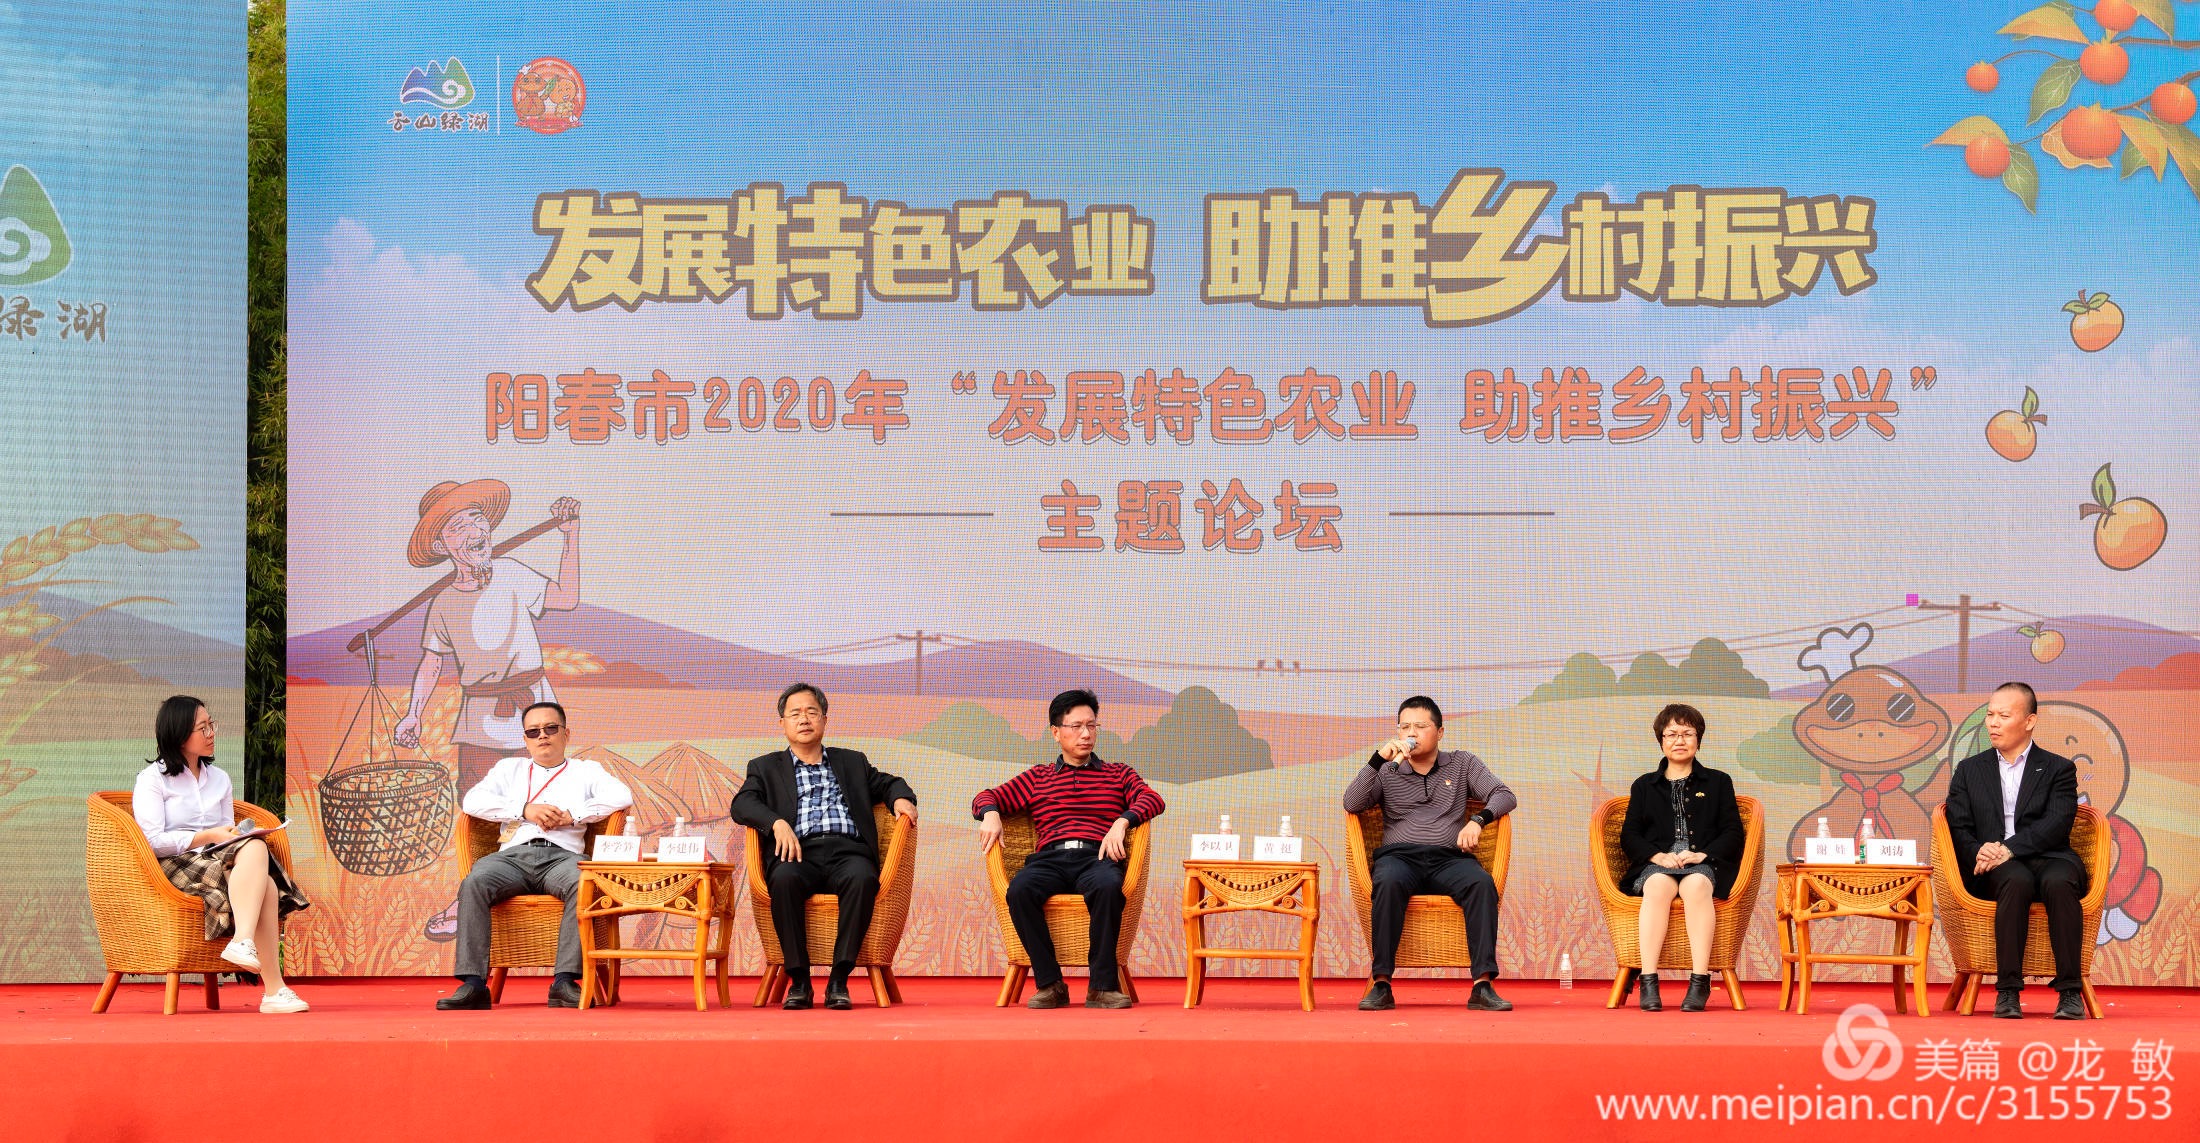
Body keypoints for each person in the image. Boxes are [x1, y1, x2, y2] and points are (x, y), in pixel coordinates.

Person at [388, 480, 582, 942]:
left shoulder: (513, 572)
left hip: (533, 709)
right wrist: (414, 713)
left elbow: (566, 597)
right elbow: (432, 661)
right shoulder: (442, 603)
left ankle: (550, 889)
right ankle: (471, 895)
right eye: (458, 526)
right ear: (442, 546)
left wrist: (570, 536)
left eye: (477, 519)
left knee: (549, 800)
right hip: (477, 719)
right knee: (479, 811)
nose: (474, 530)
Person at [730, 683, 918, 1010]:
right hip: (797, 853)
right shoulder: (765, 767)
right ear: (783, 724)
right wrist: (776, 823)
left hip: (848, 852)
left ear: (824, 720)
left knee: (863, 878)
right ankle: (799, 981)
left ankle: (839, 980)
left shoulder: (851, 762)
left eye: (811, 712)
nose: (804, 719)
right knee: (784, 879)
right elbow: (742, 804)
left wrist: (900, 798)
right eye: (795, 714)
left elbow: (890, 783)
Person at [973, 688, 1164, 1010]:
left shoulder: (1118, 774)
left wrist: (1122, 822)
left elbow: (1153, 799)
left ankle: (1102, 988)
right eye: (1076, 726)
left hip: (1096, 857)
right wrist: (991, 814)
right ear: (1056, 732)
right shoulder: (1039, 777)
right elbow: (985, 796)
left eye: (1091, 725)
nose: (1086, 734)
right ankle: (1050, 985)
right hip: (1050, 858)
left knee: (1108, 886)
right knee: (1019, 890)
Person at [436, 701, 631, 1010]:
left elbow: (621, 796)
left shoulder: (586, 771)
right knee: (475, 881)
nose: (542, 736)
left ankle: (564, 982)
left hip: (562, 857)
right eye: (533, 731)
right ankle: (473, 985)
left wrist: (573, 815)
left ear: (566, 734)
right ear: (525, 739)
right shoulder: (508, 769)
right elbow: (472, 801)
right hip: (512, 858)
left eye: (551, 728)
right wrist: (524, 810)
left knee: (583, 883)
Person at [131, 695, 311, 1013]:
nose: (211, 733)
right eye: (203, 728)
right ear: (179, 735)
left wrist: (236, 834)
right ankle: (269, 982)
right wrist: (209, 836)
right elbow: (153, 841)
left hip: (217, 856)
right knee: (264, 876)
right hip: (176, 864)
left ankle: (254, 959)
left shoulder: (220, 779)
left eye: (211, 724)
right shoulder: (152, 780)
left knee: (256, 855)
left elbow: (228, 832)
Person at [1344, 695, 1516, 1012]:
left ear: (1440, 732)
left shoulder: (1463, 763)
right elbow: (1352, 802)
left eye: (1421, 726)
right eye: (1404, 727)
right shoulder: (1387, 769)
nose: (1412, 733)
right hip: (1399, 858)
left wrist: (1478, 821)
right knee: (1388, 882)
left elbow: (1504, 795)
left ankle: (1482, 986)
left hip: (1449, 859)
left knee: (1481, 884)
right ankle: (1381, 984)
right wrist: (1377, 760)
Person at [1944, 681, 2087, 1020]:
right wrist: (1981, 853)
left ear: (2029, 721)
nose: (1993, 723)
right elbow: (1958, 826)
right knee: (2016, 880)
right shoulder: (1970, 770)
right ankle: (2007, 990)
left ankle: (2070, 992)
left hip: (2050, 856)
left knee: (2060, 882)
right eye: (1989, 715)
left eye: (2004, 716)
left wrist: (2008, 848)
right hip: (1994, 867)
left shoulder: (2058, 768)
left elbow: (2057, 823)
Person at [1616, 703, 1746, 1012]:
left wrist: (1703, 854)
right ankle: (1648, 980)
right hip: (1658, 864)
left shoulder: (1718, 781)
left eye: (1687, 734)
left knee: (1696, 885)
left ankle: (1700, 980)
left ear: (1698, 740)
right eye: (1672, 734)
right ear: (1661, 740)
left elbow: (1733, 832)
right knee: (1657, 886)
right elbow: (1630, 835)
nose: (1679, 740)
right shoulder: (1644, 785)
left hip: (1703, 863)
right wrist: (1656, 856)